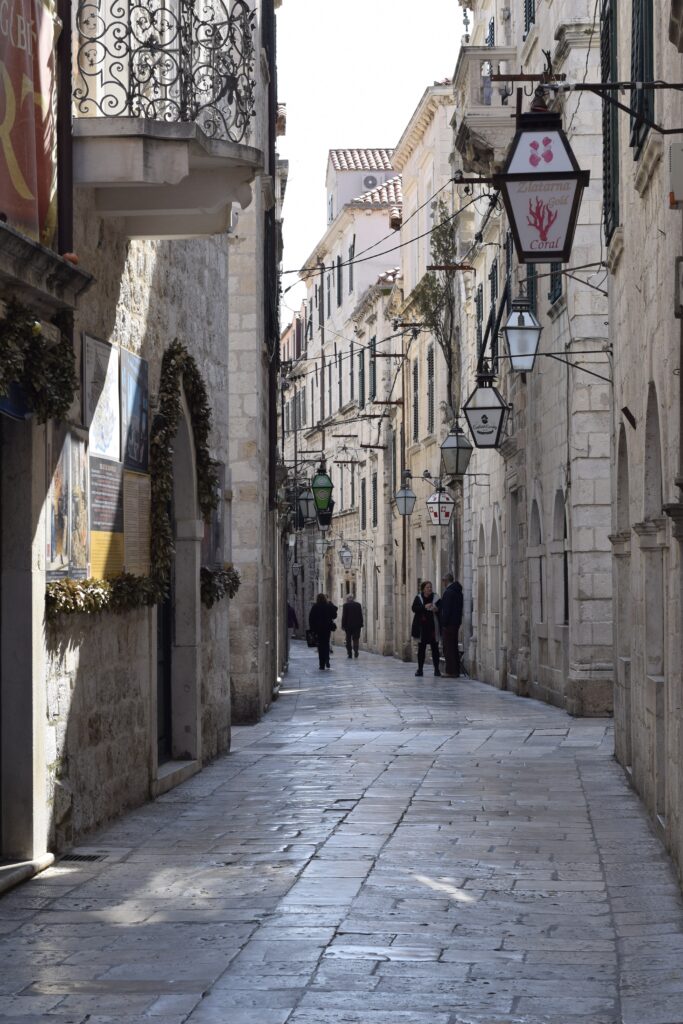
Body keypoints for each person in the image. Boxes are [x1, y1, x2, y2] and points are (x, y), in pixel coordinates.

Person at [410, 580, 441, 677]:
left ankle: (436, 669)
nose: (429, 589)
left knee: (435, 648)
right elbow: (414, 608)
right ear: (423, 589)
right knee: (421, 649)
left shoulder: (436, 598)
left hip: (433, 627)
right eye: (427, 587)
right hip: (422, 628)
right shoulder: (418, 598)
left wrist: (436, 609)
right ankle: (420, 669)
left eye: (430, 587)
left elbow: (441, 608)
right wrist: (424, 607)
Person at [438, 572, 464, 677]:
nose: (443, 583)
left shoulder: (449, 592)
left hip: (449, 624)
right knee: (453, 646)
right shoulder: (457, 591)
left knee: (448, 647)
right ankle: (455, 670)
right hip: (456, 622)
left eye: (443, 581)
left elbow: (447, 610)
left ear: (446, 581)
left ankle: (450, 671)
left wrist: (443, 623)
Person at [309, 593, 336, 670]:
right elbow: (334, 615)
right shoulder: (328, 606)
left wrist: (312, 629)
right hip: (327, 628)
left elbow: (311, 618)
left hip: (318, 629)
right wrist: (330, 604)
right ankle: (327, 658)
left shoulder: (315, 607)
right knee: (326, 644)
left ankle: (322, 664)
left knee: (320, 646)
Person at [341, 593, 364, 658]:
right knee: (356, 639)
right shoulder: (358, 605)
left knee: (348, 640)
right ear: (353, 598)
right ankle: (356, 651)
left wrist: (343, 625)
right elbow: (360, 615)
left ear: (348, 599)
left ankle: (349, 653)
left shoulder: (345, 605)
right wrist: (361, 623)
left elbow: (344, 616)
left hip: (348, 626)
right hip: (357, 626)